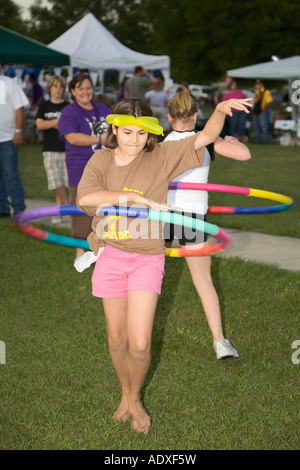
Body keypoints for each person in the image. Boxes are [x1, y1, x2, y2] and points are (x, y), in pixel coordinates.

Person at [76, 96, 252, 435]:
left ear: (151, 134)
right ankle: (125, 394)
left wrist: (217, 112)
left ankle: (135, 396)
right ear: (115, 129)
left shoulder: (161, 155)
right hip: (111, 254)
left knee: (140, 342)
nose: (134, 141)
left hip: (147, 256)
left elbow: (203, 139)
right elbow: (85, 199)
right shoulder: (101, 160)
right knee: (117, 338)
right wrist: (133, 199)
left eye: (141, 134)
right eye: (127, 133)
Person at [163, 91, 251, 360]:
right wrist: (231, 139)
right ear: (195, 116)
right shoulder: (207, 140)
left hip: (162, 216)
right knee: (203, 281)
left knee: (149, 274)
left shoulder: (159, 140)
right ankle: (220, 341)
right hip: (192, 218)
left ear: (168, 117)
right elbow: (244, 155)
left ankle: (135, 328)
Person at [58, 72, 111, 259]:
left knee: (106, 209)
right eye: (80, 88)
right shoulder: (69, 112)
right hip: (80, 168)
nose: (85, 92)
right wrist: (99, 139)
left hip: (107, 168)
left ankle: (103, 250)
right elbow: (71, 137)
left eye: (88, 87)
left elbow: (115, 131)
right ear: (72, 91)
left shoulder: (104, 108)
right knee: (82, 210)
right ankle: (80, 253)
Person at [35, 76, 69, 224]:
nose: (58, 89)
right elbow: (39, 125)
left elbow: (68, 126)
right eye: (55, 86)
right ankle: (69, 207)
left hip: (66, 148)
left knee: (63, 181)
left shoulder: (68, 106)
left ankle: (58, 212)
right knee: (54, 181)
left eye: (60, 86)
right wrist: (56, 122)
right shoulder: (44, 106)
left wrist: (52, 124)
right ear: (49, 88)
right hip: (49, 149)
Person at [0, 64, 29, 217]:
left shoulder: (9, 83)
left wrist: (18, 131)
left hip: (8, 139)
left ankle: (19, 209)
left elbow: (19, 108)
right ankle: (2, 208)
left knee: (11, 174)